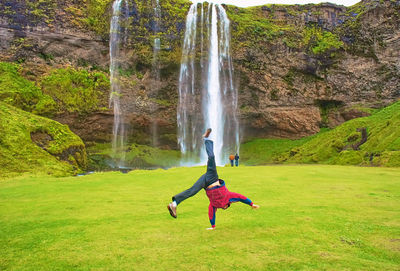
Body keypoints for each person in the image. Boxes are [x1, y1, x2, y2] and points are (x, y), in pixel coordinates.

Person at [167, 128, 259, 230]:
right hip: (212, 177)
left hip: (205, 184)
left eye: (223, 209)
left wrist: (213, 226)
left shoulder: (214, 205)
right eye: (226, 207)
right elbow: (241, 197)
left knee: (192, 191)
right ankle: (206, 139)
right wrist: (251, 203)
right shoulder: (229, 197)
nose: (224, 208)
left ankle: (174, 204)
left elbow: (211, 214)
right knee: (211, 157)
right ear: (227, 205)